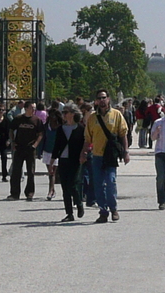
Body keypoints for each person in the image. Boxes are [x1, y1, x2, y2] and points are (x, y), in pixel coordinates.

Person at [85, 89, 129, 222]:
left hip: (110, 156)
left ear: (108, 99)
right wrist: (84, 152)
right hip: (97, 155)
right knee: (98, 184)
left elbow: (123, 134)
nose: (102, 100)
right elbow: (87, 138)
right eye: (99, 98)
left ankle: (114, 209)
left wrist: (126, 152)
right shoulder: (92, 118)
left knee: (111, 182)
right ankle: (103, 211)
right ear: (96, 101)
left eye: (104, 97)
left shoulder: (116, 115)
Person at [53, 106, 86, 222]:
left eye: (66, 112)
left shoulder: (81, 129)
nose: (64, 114)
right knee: (64, 188)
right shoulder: (61, 128)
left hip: (75, 160)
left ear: (73, 114)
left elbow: (85, 144)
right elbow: (56, 145)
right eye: (63, 112)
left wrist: (84, 155)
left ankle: (79, 203)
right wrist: (53, 160)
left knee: (72, 184)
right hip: (63, 160)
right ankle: (69, 213)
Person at [9, 102, 43, 201]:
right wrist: (12, 142)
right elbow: (11, 129)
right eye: (32, 108)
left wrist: (35, 145)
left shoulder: (37, 120)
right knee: (16, 171)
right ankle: (14, 193)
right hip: (19, 147)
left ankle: (29, 193)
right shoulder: (19, 119)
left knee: (31, 172)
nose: (33, 110)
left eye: (34, 108)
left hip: (30, 149)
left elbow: (40, 134)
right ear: (26, 108)